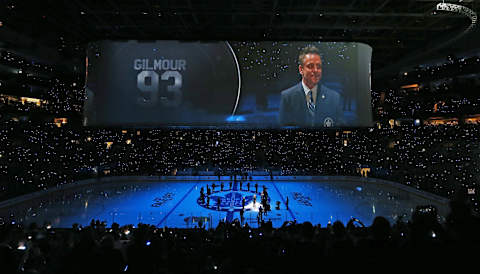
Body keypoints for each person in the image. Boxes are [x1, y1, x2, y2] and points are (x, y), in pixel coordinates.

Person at [279, 45, 345, 127]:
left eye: (319, 66)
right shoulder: (287, 97)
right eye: (310, 66)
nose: (315, 70)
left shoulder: (334, 98)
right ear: (301, 69)